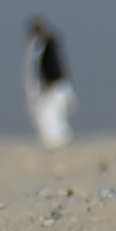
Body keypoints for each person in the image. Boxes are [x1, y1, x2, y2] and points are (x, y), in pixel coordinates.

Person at [23, 18, 73, 148]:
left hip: (54, 88)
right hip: (48, 88)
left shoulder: (48, 46)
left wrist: (50, 85)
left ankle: (59, 141)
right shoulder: (37, 48)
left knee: (53, 116)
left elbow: (52, 68)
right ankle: (53, 142)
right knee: (46, 116)